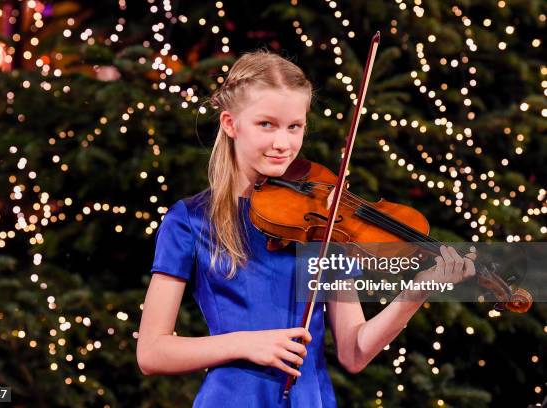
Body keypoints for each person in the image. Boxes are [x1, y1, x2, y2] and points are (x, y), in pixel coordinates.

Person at [136, 49, 476, 407]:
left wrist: (418, 291)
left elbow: (354, 352)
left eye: (294, 126)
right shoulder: (191, 220)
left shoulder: (321, 223)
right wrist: (245, 343)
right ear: (230, 124)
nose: (283, 144)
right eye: (266, 124)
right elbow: (152, 352)